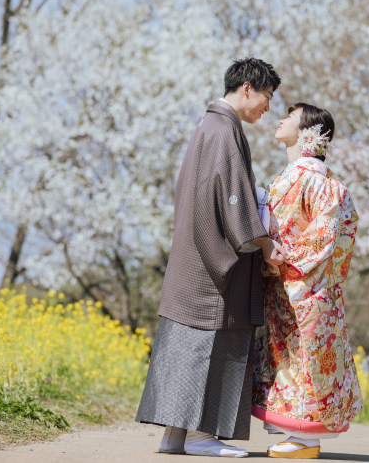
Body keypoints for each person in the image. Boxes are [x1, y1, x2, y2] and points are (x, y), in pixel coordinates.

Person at [135, 58, 288, 458]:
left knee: (188, 347)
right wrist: (263, 242)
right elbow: (229, 195)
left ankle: (175, 436)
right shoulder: (224, 130)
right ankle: (202, 437)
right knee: (214, 345)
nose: (267, 108)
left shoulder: (210, 126)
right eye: (267, 97)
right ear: (248, 88)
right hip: (214, 266)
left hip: (195, 257)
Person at [252, 103, 363, 459]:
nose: (281, 119)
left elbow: (328, 234)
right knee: (288, 360)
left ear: (308, 133)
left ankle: (305, 439)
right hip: (287, 284)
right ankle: (294, 434)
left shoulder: (315, 180)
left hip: (305, 287)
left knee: (306, 360)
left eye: (291, 116)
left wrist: (283, 259)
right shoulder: (294, 176)